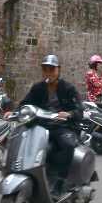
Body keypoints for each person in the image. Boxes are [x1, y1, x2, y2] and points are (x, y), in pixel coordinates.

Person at [18, 54, 82, 192]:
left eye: (52, 69)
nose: (49, 73)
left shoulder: (68, 88)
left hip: (62, 127)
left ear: (58, 70)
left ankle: (61, 180)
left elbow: (79, 109)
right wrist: (14, 112)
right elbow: (25, 104)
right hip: (41, 126)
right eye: (46, 69)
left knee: (68, 145)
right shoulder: (38, 88)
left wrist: (69, 114)